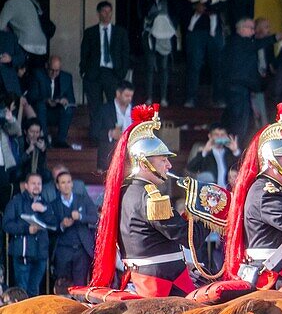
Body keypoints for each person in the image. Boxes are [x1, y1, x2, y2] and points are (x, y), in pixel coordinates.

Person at [89, 105, 196, 296]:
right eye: (163, 160)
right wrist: (206, 214)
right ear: (144, 162)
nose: (169, 165)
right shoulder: (150, 196)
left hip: (139, 275)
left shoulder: (125, 191)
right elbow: (185, 236)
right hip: (164, 282)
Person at [223, 104, 282, 288]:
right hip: (272, 276)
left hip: (280, 270)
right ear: (271, 162)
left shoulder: (267, 189)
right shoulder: (266, 193)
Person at [2, 172, 55, 295]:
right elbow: (6, 224)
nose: (36, 186)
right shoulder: (16, 201)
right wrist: (27, 229)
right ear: (26, 185)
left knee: (34, 290)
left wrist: (44, 210)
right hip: (23, 253)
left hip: (40, 254)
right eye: (33, 183)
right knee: (22, 291)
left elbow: (55, 224)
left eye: (39, 183)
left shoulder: (45, 203)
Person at [80, 1, 130, 129]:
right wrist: (84, 71)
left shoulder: (120, 32)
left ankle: (114, 134)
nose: (107, 15)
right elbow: (84, 53)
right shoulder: (90, 32)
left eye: (109, 12)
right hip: (94, 73)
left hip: (113, 73)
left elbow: (125, 54)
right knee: (94, 106)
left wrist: (122, 73)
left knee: (114, 106)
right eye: (104, 11)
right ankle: (96, 134)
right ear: (98, 13)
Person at [49, 169, 97, 287]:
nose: (66, 185)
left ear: (72, 184)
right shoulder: (53, 204)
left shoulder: (83, 199)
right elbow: (49, 226)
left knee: (80, 286)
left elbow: (95, 218)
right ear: (57, 186)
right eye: (63, 182)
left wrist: (80, 216)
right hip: (62, 250)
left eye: (69, 182)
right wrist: (62, 225)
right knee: (62, 285)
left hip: (81, 250)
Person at [222, 17, 262, 141]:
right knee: (238, 126)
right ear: (241, 29)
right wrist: (276, 37)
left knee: (242, 125)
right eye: (251, 28)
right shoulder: (237, 43)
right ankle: (235, 152)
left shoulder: (241, 45)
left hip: (243, 89)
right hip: (238, 89)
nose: (253, 32)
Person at [28, 55, 75, 148]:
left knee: (69, 109)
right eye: (51, 70)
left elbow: (72, 99)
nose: (54, 73)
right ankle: (44, 139)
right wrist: (47, 101)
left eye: (57, 71)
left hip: (58, 112)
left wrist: (65, 100)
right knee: (40, 106)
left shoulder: (67, 77)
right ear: (46, 66)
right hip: (42, 111)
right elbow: (32, 96)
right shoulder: (38, 75)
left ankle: (61, 140)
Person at [0, 0, 48, 65]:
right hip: (42, 45)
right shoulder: (31, 1)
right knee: (38, 76)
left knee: (22, 75)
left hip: (26, 45)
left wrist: (7, 29)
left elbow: (0, 26)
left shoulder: (10, 4)